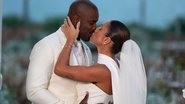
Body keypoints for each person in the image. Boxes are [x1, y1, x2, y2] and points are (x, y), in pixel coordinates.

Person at [54, 17, 147, 104]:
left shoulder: (102, 71)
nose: (95, 29)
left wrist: (70, 40)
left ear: (106, 40)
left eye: (101, 28)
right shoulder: (117, 65)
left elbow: (59, 69)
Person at [26, 0, 98, 104]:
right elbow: (34, 91)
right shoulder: (46, 46)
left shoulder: (86, 49)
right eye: (91, 22)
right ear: (76, 19)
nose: (94, 28)